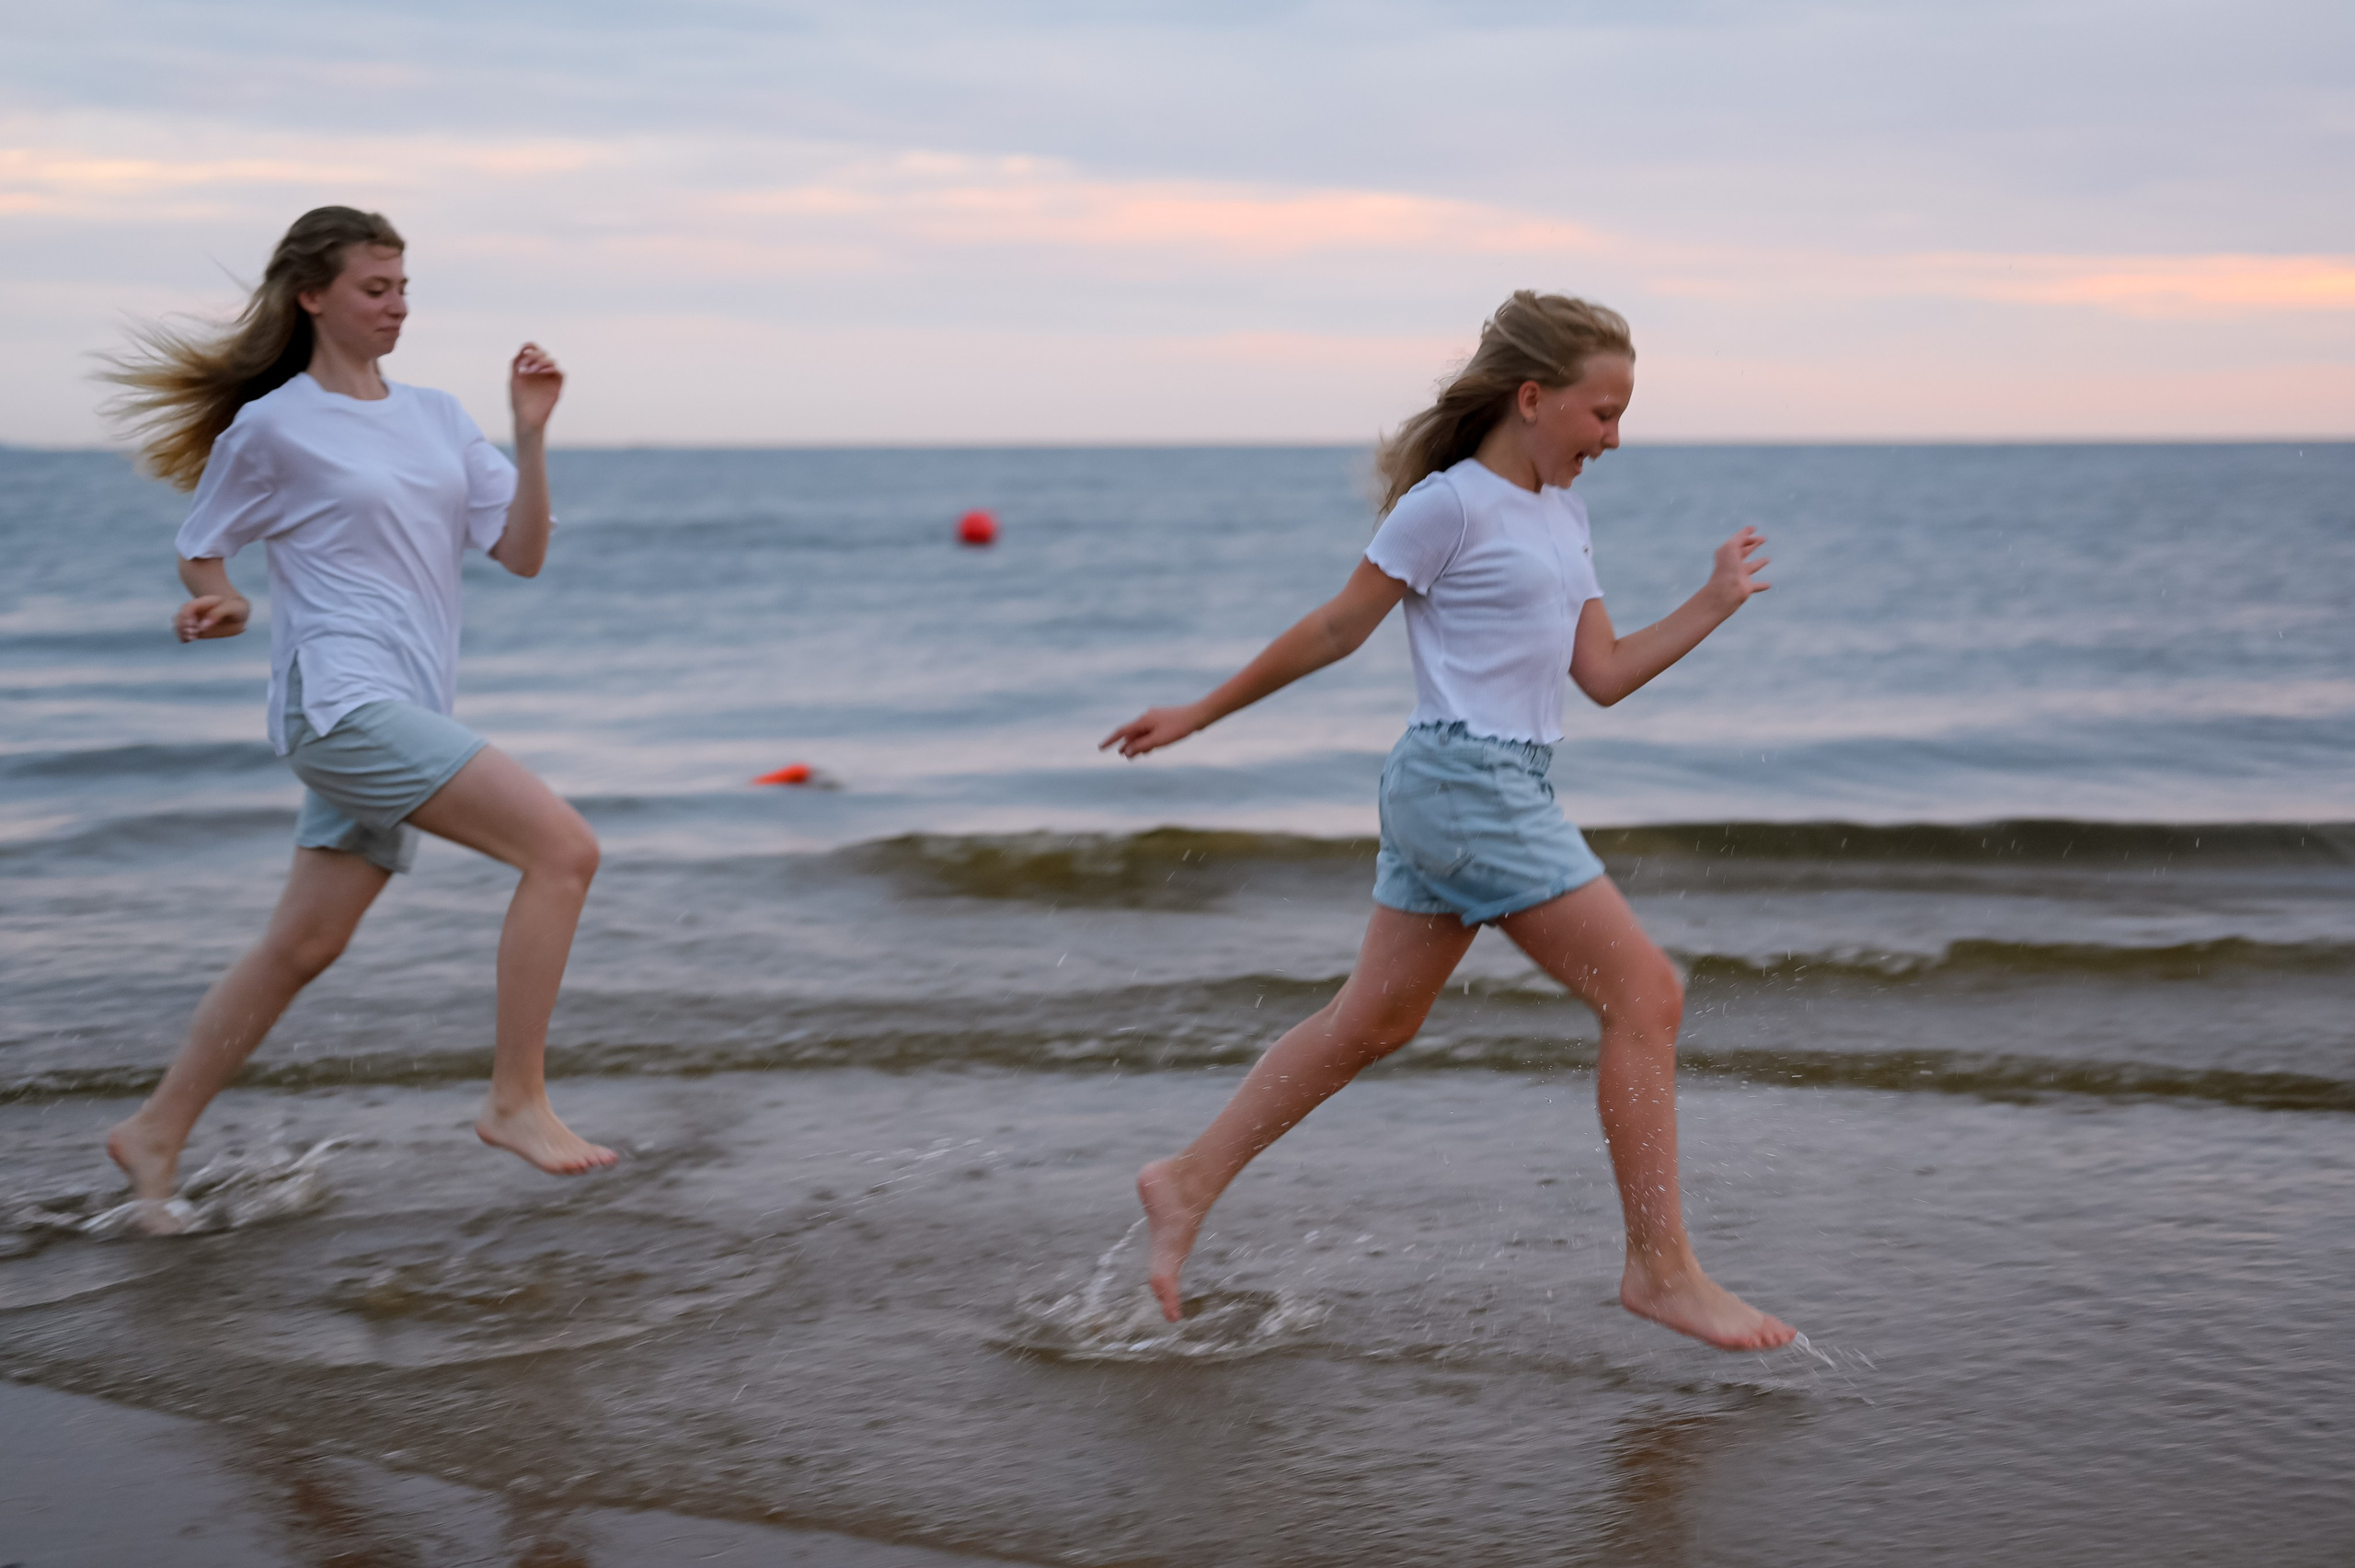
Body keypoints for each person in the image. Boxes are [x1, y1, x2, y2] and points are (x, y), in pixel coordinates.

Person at [1101, 292, 1793, 1351]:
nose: (1614, 438)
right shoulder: (1447, 505)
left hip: (1492, 785)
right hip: (1464, 782)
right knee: (1647, 994)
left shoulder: (1562, 517)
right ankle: (1660, 1269)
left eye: (1622, 415)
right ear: (1532, 398)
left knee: (1373, 1024)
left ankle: (1186, 1181)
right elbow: (1336, 628)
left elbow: (1602, 675)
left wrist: (1713, 602)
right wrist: (1201, 711)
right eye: (1602, 413)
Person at [100, 206, 616, 1231]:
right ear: (313, 296)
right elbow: (204, 542)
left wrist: (528, 433)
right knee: (563, 851)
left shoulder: (436, 416)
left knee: (304, 943)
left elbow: (521, 553)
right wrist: (225, 600)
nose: (397, 306)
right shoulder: (276, 425)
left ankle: (154, 1130)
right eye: (375, 289)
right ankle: (515, 1099)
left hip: (404, 703)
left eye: (403, 288)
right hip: (338, 703)